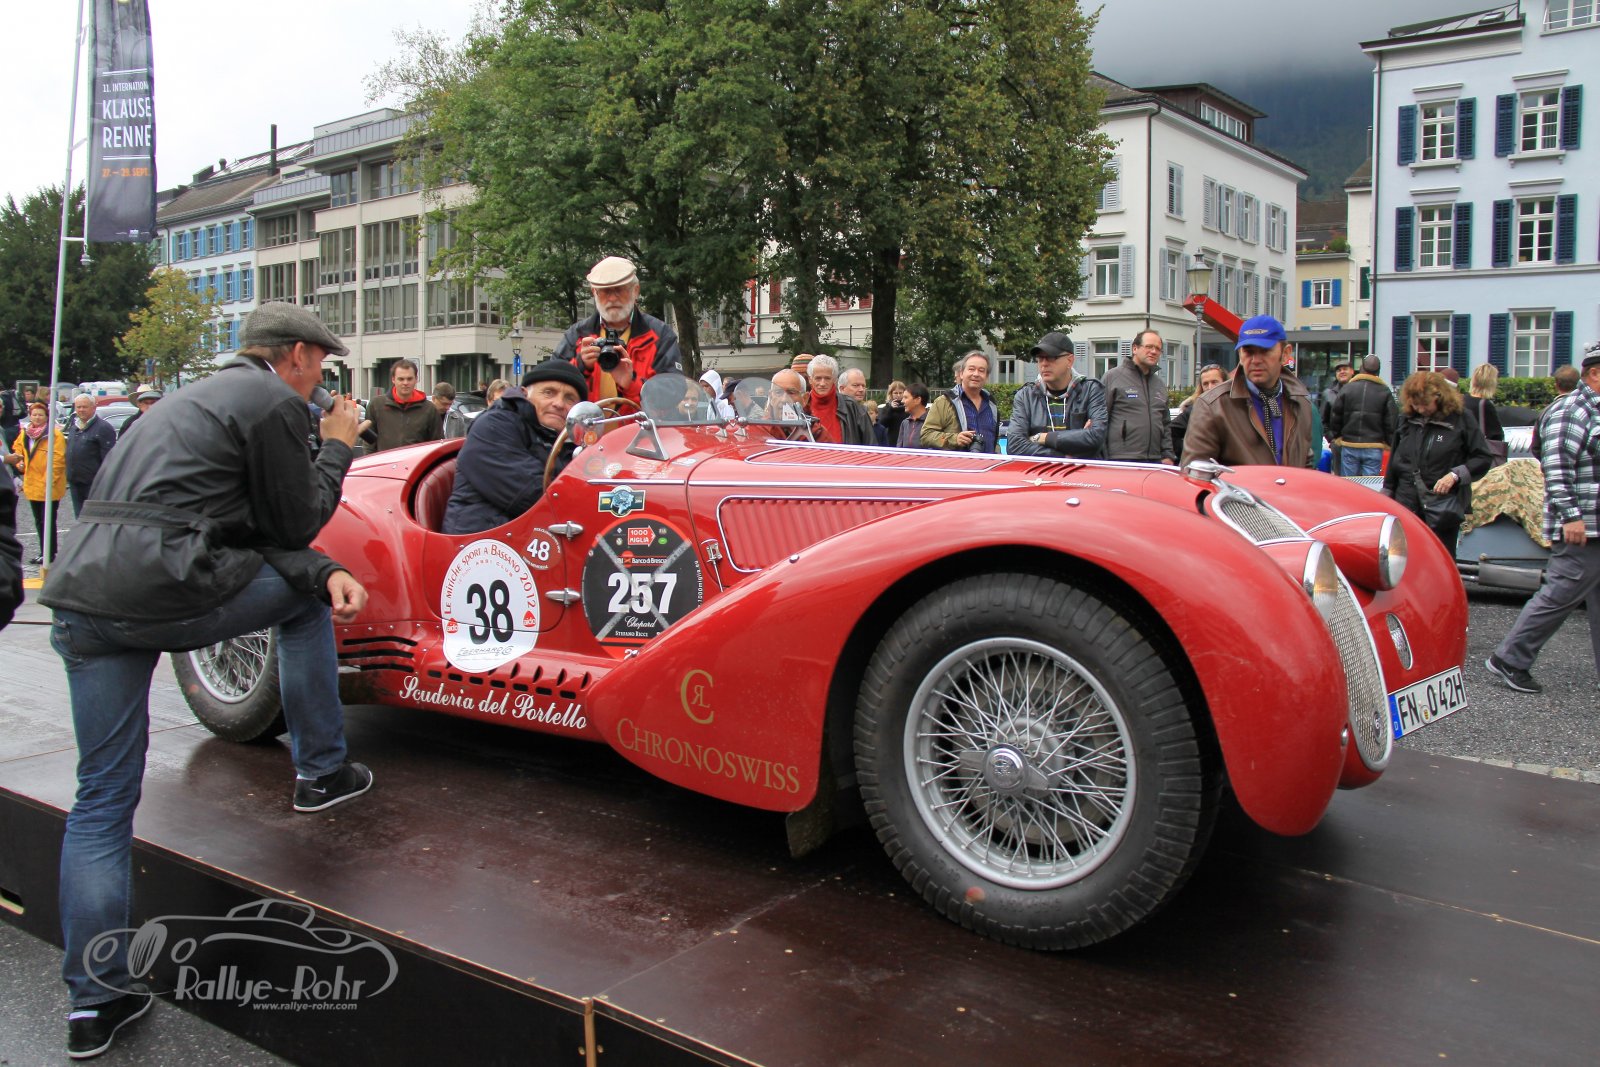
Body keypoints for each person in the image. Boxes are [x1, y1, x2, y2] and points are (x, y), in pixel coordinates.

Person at [38, 303, 372, 1058]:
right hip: (162, 589)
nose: (320, 379)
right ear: (295, 355)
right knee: (306, 598)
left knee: (101, 800)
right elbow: (295, 524)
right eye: (320, 364)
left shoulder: (182, 402)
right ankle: (321, 772)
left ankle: (94, 1002)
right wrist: (337, 445)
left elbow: (235, 525)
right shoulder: (273, 402)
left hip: (83, 599)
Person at [1485, 344, 1600, 694]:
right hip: (1581, 525)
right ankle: (1509, 658)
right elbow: (1556, 466)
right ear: (1595, 373)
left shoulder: (1590, 410)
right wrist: (1571, 516)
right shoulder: (1571, 410)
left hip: (1592, 523)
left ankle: (1512, 657)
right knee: (1559, 594)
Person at [443, 361, 586, 534]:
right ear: (525, 394)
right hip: (484, 540)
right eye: (549, 392)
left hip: (531, 537)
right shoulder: (493, 426)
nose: (559, 403)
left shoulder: (565, 440)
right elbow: (534, 494)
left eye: (569, 398)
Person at [1381, 370, 1493, 557]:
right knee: (1406, 559)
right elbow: (1395, 461)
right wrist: (1386, 495)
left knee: (1440, 559)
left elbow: (1482, 457)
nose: (1420, 410)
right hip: (1406, 503)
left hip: (1442, 507)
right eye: (1415, 405)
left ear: (1438, 397)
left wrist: (1455, 475)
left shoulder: (1461, 418)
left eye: (1425, 404)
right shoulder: (1406, 420)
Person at [1181, 315, 1314, 468]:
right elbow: (1195, 472)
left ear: (1285, 354)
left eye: (1264, 351)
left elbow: (1306, 461)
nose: (1256, 360)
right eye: (1248, 352)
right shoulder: (1213, 406)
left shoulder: (1300, 402)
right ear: (1240, 355)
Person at [554, 256, 681, 405]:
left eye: (620, 290)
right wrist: (580, 365)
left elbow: (674, 394)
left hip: (638, 421)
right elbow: (551, 387)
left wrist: (631, 382)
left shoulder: (661, 336)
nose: (613, 298)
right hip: (587, 421)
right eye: (605, 291)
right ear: (594, 292)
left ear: (636, 291)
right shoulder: (576, 335)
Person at [1006, 332, 1107, 459]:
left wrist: (1042, 437)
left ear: (1070, 360)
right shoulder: (1026, 396)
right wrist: (1062, 456)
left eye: (1051, 357)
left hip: (1083, 470)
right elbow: (1015, 446)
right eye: (1040, 358)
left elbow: (1096, 437)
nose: (1044, 364)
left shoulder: (1091, 390)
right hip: (1041, 471)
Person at [6, 402, 68, 565]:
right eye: (34, 414)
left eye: (41, 415)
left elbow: (58, 461)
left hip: (49, 486)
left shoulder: (54, 435)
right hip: (32, 484)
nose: (37, 417)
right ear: (30, 416)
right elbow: (18, 449)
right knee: (39, 521)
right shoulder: (25, 433)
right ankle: (44, 552)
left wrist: (49, 481)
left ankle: (49, 553)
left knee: (47, 521)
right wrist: (19, 463)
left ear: (47, 416)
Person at [1102, 329, 1174, 463]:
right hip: (1121, 459)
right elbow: (1100, 420)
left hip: (1155, 460)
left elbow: (1165, 423)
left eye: (1158, 349)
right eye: (1149, 347)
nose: (1154, 351)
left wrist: (1168, 454)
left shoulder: (1159, 384)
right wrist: (1104, 457)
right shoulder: (1113, 377)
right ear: (1135, 348)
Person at [1329, 354, 1398, 476]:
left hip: (1349, 443)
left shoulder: (1347, 388)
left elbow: (1336, 415)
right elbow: (1391, 422)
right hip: (1374, 445)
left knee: (1349, 484)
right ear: (1378, 371)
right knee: (1369, 485)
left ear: (1361, 368)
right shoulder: (1384, 391)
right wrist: (1389, 443)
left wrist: (1337, 436)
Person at [923, 351, 999, 452]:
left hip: (987, 462)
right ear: (961, 373)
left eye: (981, 370)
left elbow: (994, 440)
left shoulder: (991, 405)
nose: (976, 374)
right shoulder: (944, 402)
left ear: (986, 377)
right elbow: (926, 435)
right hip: (957, 462)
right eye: (971, 369)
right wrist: (954, 439)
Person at [359, 359, 440, 451]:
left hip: (418, 460)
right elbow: (369, 443)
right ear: (393, 379)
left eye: (409, 379)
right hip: (386, 460)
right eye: (401, 379)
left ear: (416, 379)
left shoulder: (429, 409)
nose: (405, 383)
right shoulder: (376, 405)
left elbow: (436, 444)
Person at [64, 394, 119, 517]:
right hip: (75, 482)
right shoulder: (74, 427)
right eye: (78, 407)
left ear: (94, 407)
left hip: (94, 484)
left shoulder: (103, 428)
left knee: (94, 518)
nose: (81, 410)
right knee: (80, 517)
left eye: (84, 407)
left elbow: (109, 458)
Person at [804, 354, 873, 445]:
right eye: (818, 378)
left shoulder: (853, 408)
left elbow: (871, 445)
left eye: (827, 378)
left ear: (834, 380)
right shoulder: (801, 407)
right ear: (810, 379)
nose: (822, 383)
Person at [1170, 363, 1228, 463]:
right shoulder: (1194, 410)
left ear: (1225, 383)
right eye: (1205, 384)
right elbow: (1170, 432)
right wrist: (1190, 451)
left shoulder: (1238, 406)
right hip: (1205, 467)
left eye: (1214, 382)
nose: (1210, 387)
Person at [1529, 365, 1580, 458]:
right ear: (1579, 384)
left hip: (1551, 462)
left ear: (1556, 385)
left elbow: (1536, 447)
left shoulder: (1545, 412)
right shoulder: (1587, 407)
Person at [1463, 363, 1506, 463]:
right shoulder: (1485, 405)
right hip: (1479, 458)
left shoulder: (1461, 400)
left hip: (1463, 457)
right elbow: (1496, 436)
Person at [1320, 362, 1353, 470]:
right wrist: (1332, 439)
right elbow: (1322, 420)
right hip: (1338, 445)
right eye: (1339, 370)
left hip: (1356, 444)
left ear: (1352, 371)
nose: (1342, 372)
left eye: (1345, 369)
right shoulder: (1328, 394)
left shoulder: (1359, 391)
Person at [895, 383, 931, 448]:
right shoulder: (905, 423)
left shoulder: (932, 423)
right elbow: (899, 449)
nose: (902, 401)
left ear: (918, 400)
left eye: (906, 397)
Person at [878, 380, 908, 447]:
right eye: (895, 393)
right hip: (892, 441)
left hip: (905, 440)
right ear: (891, 394)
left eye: (900, 393)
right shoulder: (887, 407)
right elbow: (882, 424)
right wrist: (891, 409)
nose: (898, 395)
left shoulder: (908, 407)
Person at [0, 381, 21, 447]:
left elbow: (2, 416)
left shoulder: (2, 398)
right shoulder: (11, 395)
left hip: (5, 428)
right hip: (16, 427)